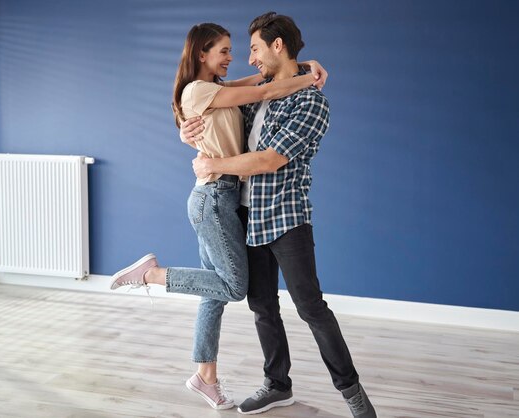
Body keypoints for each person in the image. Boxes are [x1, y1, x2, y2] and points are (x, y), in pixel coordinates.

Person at [109, 23, 328, 410]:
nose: (233, 58)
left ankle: (204, 377)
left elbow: (262, 78)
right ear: (202, 55)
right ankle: (151, 274)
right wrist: (307, 76)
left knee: (212, 294)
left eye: (235, 50)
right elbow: (263, 88)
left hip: (220, 195)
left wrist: (304, 64)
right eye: (224, 51)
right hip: (214, 196)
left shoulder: (217, 92)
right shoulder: (198, 90)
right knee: (232, 287)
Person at [183, 12, 377, 418]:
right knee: (262, 306)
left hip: (287, 217)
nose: (249, 59)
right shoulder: (267, 92)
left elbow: (269, 159)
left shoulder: (311, 102)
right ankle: (277, 383)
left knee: (310, 307)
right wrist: (186, 130)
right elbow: (218, 112)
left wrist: (216, 167)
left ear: (277, 45)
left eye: (254, 48)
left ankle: (353, 395)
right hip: (248, 216)